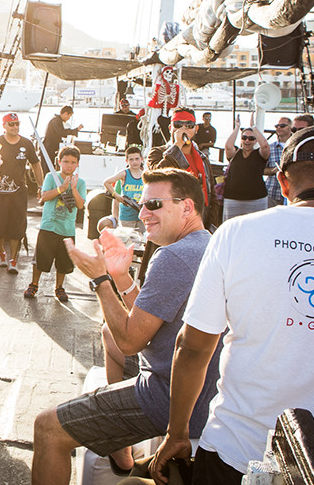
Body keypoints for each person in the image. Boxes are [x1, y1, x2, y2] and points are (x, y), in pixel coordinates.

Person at [150, 127, 314, 485]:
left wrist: (177, 433)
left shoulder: (234, 233)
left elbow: (194, 347)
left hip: (234, 453)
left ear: (283, 183)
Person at [32, 168, 220, 485]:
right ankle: (121, 450)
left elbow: (131, 341)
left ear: (187, 207)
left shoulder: (173, 257)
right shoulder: (207, 244)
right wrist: (122, 278)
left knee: (47, 427)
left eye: (154, 205)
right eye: (141, 204)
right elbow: (151, 318)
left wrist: (101, 279)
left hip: (173, 395)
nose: (143, 213)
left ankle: (118, 436)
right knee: (108, 334)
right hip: (206, 389)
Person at [25, 147, 86, 303]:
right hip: (49, 226)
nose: (69, 166)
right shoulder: (51, 177)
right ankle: (34, 284)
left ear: (77, 164)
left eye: (73, 162)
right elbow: (44, 197)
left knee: (63, 263)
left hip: (67, 229)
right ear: (59, 162)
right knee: (40, 259)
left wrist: (73, 188)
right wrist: (61, 188)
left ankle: (59, 287)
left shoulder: (80, 182)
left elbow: (80, 205)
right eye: (65, 162)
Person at [0, 112, 44, 274]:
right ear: (4, 126)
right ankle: (1, 253)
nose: (15, 127)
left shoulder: (27, 144)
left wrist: (40, 186)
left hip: (18, 192)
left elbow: (36, 165)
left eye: (17, 124)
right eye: (11, 124)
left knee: (17, 226)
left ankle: (13, 259)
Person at [147, 107, 217, 228]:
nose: (183, 129)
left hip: (197, 224)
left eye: (189, 125)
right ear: (170, 128)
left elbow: (212, 195)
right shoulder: (157, 153)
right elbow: (155, 177)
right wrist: (177, 146)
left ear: (196, 129)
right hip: (168, 224)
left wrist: (211, 224)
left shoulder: (202, 158)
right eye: (178, 124)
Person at [221, 114, 270, 221]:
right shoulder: (235, 154)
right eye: (244, 138)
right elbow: (228, 146)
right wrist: (237, 128)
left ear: (256, 141)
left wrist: (254, 127)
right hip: (233, 198)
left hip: (257, 199)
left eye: (251, 138)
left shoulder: (260, 155)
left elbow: (265, 146)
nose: (247, 141)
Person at [100, 145, 145, 235]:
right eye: (131, 159)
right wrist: (116, 196)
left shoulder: (146, 175)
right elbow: (106, 182)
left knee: (141, 241)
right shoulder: (125, 173)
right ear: (126, 161)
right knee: (126, 241)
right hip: (126, 216)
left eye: (137, 159)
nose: (134, 162)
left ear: (142, 159)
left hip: (142, 215)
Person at [42, 105, 83, 173]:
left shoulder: (57, 120)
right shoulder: (56, 121)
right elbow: (62, 132)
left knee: (49, 167)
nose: (69, 118)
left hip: (50, 148)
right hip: (48, 148)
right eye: (69, 116)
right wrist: (75, 130)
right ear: (65, 114)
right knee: (47, 168)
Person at [263, 116, 293, 207]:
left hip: (292, 194)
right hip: (272, 193)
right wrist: (275, 170)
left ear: (290, 128)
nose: (279, 128)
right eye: (277, 126)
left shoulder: (297, 146)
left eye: (282, 126)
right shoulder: (270, 147)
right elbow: (261, 170)